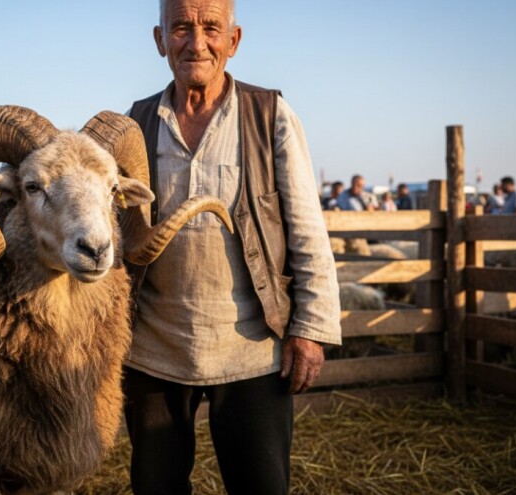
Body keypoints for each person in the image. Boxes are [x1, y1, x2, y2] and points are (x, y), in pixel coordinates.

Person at [124, 1, 341, 493]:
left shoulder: (270, 116)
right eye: (180, 27)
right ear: (160, 40)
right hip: (155, 348)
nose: (195, 42)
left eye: (210, 28)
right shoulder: (134, 124)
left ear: (234, 40)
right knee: (156, 487)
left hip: (252, 350)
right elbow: (114, 233)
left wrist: (310, 328)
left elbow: (307, 228)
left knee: (260, 485)